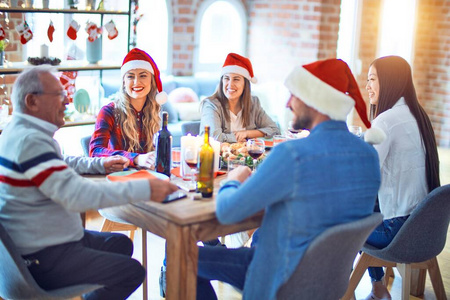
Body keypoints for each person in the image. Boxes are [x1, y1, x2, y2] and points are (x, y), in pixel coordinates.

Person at [195, 58, 385, 299]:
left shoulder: (292, 155)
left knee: (183, 257)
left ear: (314, 100)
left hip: (277, 276)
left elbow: (227, 212)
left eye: (294, 95)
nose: (288, 103)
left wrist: (234, 178)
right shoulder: (369, 156)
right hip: (329, 282)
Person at [0, 65, 178, 300]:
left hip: (35, 245)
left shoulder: (18, 132)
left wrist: (99, 165)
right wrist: (147, 188)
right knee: (132, 272)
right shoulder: (31, 142)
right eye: (60, 96)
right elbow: (78, 195)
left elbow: (60, 162)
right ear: (32, 101)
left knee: (120, 244)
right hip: (43, 257)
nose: (67, 101)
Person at [364, 55, 440, 300]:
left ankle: (376, 287)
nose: (367, 86)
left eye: (372, 79)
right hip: (426, 230)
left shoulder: (385, 121)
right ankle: (379, 286)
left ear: (389, 81)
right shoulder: (419, 116)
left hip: (396, 232)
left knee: (337, 221)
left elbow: (363, 172)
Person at [90, 48, 168, 169]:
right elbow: (95, 152)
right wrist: (136, 158)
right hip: (117, 179)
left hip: (146, 177)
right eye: (131, 76)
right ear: (124, 82)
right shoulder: (108, 111)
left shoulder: (154, 109)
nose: (136, 82)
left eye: (143, 76)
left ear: (152, 81)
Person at [200, 53, 280, 143]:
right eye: (226, 78)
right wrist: (238, 138)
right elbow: (213, 138)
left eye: (236, 79)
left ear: (245, 84)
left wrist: (247, 133)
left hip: (247, 156)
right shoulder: (211, 105)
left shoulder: (253, 103)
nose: (230, 84)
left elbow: (275, 130)